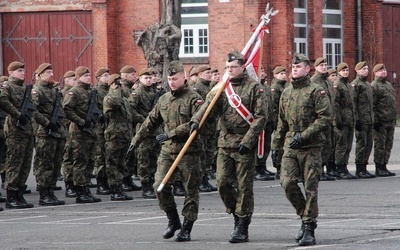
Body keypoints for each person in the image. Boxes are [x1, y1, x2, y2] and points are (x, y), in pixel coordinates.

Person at [191, 50, 267, 243]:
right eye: (227, 67)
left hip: (243, 144)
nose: (229, 70)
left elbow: (261, 117)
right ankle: (235, 213)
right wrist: (196, 121)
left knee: (244, 186)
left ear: (243, 67)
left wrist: (248, 141)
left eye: (233, 67)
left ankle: (243, 224)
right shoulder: (222, 88)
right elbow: (208, 106)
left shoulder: (254, 88)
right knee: (223, 182)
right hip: (225, 143)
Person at [129, 61, 203, 242]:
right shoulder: (163, 99)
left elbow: (196, 123)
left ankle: (187, 227)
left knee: (190, 191)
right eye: (169, 79)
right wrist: (135, 141)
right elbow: (150, 121)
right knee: (159, 186)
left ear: (183, 78)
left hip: (188, 151)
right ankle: (173, 220)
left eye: (175, 78)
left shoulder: (195, 98)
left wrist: (171, 133)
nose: (172, 82)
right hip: (168, 151)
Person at [272, 53, 331, 246]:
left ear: (307, 69)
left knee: (310, 188)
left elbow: (324, 118)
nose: (294, 69)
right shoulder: (287, 92)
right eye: (293, 67)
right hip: (291, 144)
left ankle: (308, 226)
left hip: (310, 146)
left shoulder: (316, 90)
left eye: (299, 67)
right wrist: (276, 147)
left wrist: (304, 136)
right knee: (287, 183)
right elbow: (281, 122)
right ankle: (304, 216)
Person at [62, 66, 102, 203]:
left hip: (91, 131)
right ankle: (80, 191)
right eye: (85, 76)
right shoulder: (75, 91)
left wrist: (95, 118)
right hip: (79, 132)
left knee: (90, 161)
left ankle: (86, 188)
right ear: (78, 78)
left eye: (89, 75)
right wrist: (81, 121)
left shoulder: (91, 91)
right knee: (80, 162)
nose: (88, 77)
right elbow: (66, 109)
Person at [0, 61, 35, 209]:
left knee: (25, 164)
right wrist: (16, 114)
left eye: (23, 70)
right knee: (14, 163)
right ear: (11, 72)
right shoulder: (8, 87)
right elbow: (2, 100)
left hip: (27, 131)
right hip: (15, 131)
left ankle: (20, 194)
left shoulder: (24, 88)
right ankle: (11, 196)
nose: (22, 73)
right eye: (19, 71)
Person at [31, 63, 66, 206]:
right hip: (45, 132)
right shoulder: (37, 90)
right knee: (45, 163)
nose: (51, 75)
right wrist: (46, 123)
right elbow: (33, 110)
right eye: (48, 73)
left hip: (57, 131)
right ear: (39, 76)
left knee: (56, 163)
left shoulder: (53, 91)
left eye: (51, 72)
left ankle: (51, 191)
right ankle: (44, 194)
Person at [128, 68, 160, 199]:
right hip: (143, 130)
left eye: (150, 77)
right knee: (143, 159)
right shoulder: (137, 93)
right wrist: (143, 120)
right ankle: (145, 186)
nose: (148, 80)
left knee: (154, 159)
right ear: (140, 79)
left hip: (155, 130)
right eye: (145, 78)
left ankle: (153, 184)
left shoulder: (155, 92)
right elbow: (130, 110)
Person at [103, 74, 134, 201]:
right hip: (114, 136)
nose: (122, 86)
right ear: (113, 85)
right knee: (112, 164)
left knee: (121, 163)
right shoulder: (109, 97)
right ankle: (114, 189)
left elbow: (129, 116)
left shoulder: (124, 100)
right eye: (119, 84)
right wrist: (115, 89)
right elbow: (114, 103)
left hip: (125, 135)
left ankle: (120, 187)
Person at [192, 65, 218, 191]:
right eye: (207, 72)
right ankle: (200, 181)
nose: (210, 74)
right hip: (202, 128)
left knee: (209, 154)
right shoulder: (197, 88)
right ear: (200, 74)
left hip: (211, 127)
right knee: (201, 156)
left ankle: (205, 178)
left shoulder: (210, 87)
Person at [310, 57, 336, 181]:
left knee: (328, 145)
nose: (324, 67)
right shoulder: (314, 81)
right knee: (320, 145)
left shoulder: (328, 81)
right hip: (319, 119)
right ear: (316, 67)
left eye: (325, 65)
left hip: (329, 120)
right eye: (321, 65)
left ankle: (323, 168)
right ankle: (317, 170)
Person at [371, 63, 397, 177]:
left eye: (384, 69)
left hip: (390, 120)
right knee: (379, 145)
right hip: (381, 121)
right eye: (380, 70)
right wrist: (375, 120)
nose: (383, 71)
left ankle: (384, 165)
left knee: (388, 144)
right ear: (375, 73)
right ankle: (378, 167)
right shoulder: (374, 86)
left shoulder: (388, 85)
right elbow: (372, 104)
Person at [352, 61, 376, 178]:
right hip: (361, 120)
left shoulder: (367, 84)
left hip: (369, 119)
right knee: (361, 144)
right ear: (357, 71)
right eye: (363, 69)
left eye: (367, 68)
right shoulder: (356, 84)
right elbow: (353, 103)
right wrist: (356, 120)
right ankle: (359, 168)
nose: (366, 70)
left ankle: (364, 167)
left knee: (368, 144)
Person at [333, 62, 357, 179]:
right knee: (341, 145)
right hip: (342, 121)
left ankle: (344, 166)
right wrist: (338, 120)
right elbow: (335, 104)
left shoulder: (348, 85)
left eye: (347, 70)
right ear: (339, 72)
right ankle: (339, 168)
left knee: (348, 146)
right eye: (343, 71)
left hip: (349, 120)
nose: (346, 72)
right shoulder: (338, 85)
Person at [120, 65, 142, 192]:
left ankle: (128, 179)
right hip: (123, 126)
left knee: (131, 155)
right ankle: (123, 180)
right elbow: (128, 106)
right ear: (125, 75)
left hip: (130, 126)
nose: (135, 77)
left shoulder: (131, 88)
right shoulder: (124, 89)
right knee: (124, 155)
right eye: (133, 75)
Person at [255, 65, 275, 181]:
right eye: (260, 71)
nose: (262, 73)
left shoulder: (266, 87)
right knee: (259, 147)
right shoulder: (256, 86)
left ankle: (262, 166)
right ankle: (257, 168)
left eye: (263, 70)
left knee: (266, 145)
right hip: (259, 122)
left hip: (268, 121)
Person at [93, 68, 111, 195]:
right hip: (100, 127)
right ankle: (100, 183)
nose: (107, 77)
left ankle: (107, 180)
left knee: (108, 155)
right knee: (100, 156)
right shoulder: (96, 92)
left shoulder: (110, 91)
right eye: (105, 75)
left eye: (108, 75)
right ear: (98, 78)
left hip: (110, 127)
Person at [61, 70, 77, 198]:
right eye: (73, 79)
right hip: (67, 129)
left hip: (74, 129)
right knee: (69, 158)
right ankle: (69, 185)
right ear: (66, 80)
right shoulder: (66, 93)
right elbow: (64, 112)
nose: (75, 81)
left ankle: (77, 183)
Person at [270, 66, 287, 180]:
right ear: (275, 75)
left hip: (285, 121)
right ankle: (279, 168)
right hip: (279, 122)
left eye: (284, 73)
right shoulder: (275, 88)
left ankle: (284, 168)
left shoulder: (285, 86)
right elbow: (274, 107)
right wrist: (276, 122)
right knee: (278, 145)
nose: (283, 75)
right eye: (281, 74)